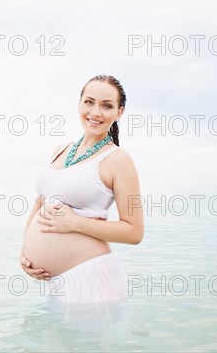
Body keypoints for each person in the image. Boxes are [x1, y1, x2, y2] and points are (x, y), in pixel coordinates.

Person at [20, 74, 144, 308]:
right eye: (89, 102)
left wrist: (75, 224)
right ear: (79, 103)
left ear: (119, 112)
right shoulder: (61, 150)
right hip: (57, 281)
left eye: (106, 106)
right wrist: (24, 253)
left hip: (91, 281)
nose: (96, 112)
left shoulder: (118, 160)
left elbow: (134, 232)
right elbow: (41, 201)